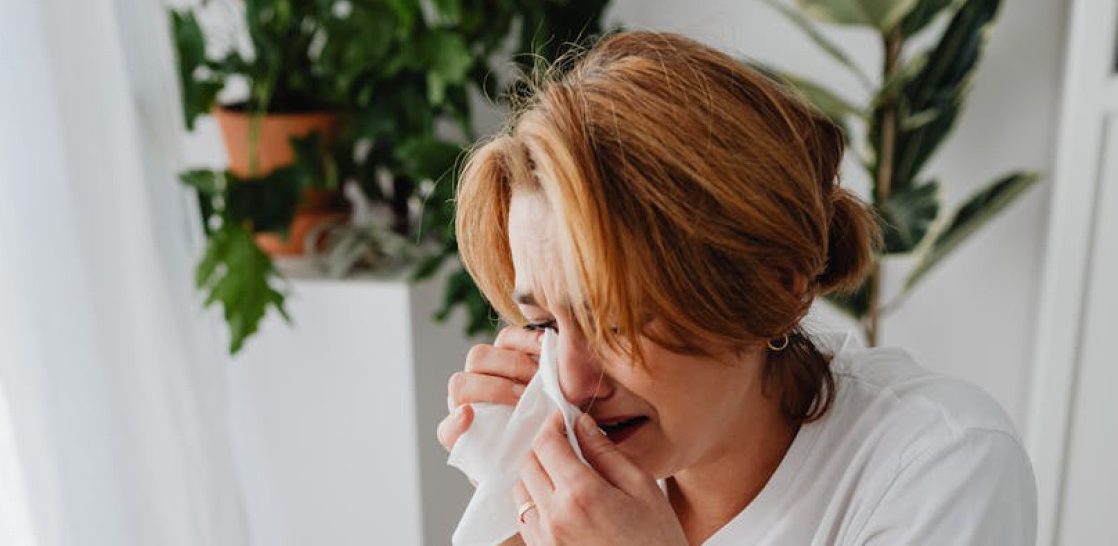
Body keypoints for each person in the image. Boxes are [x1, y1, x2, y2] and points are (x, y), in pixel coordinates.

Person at [436, 32, 1036, 545]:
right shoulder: (578, 493)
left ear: (774, 285)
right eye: (545, 324)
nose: (569, 382)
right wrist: (509, 512)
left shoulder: (941, 463)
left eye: (615, 320)